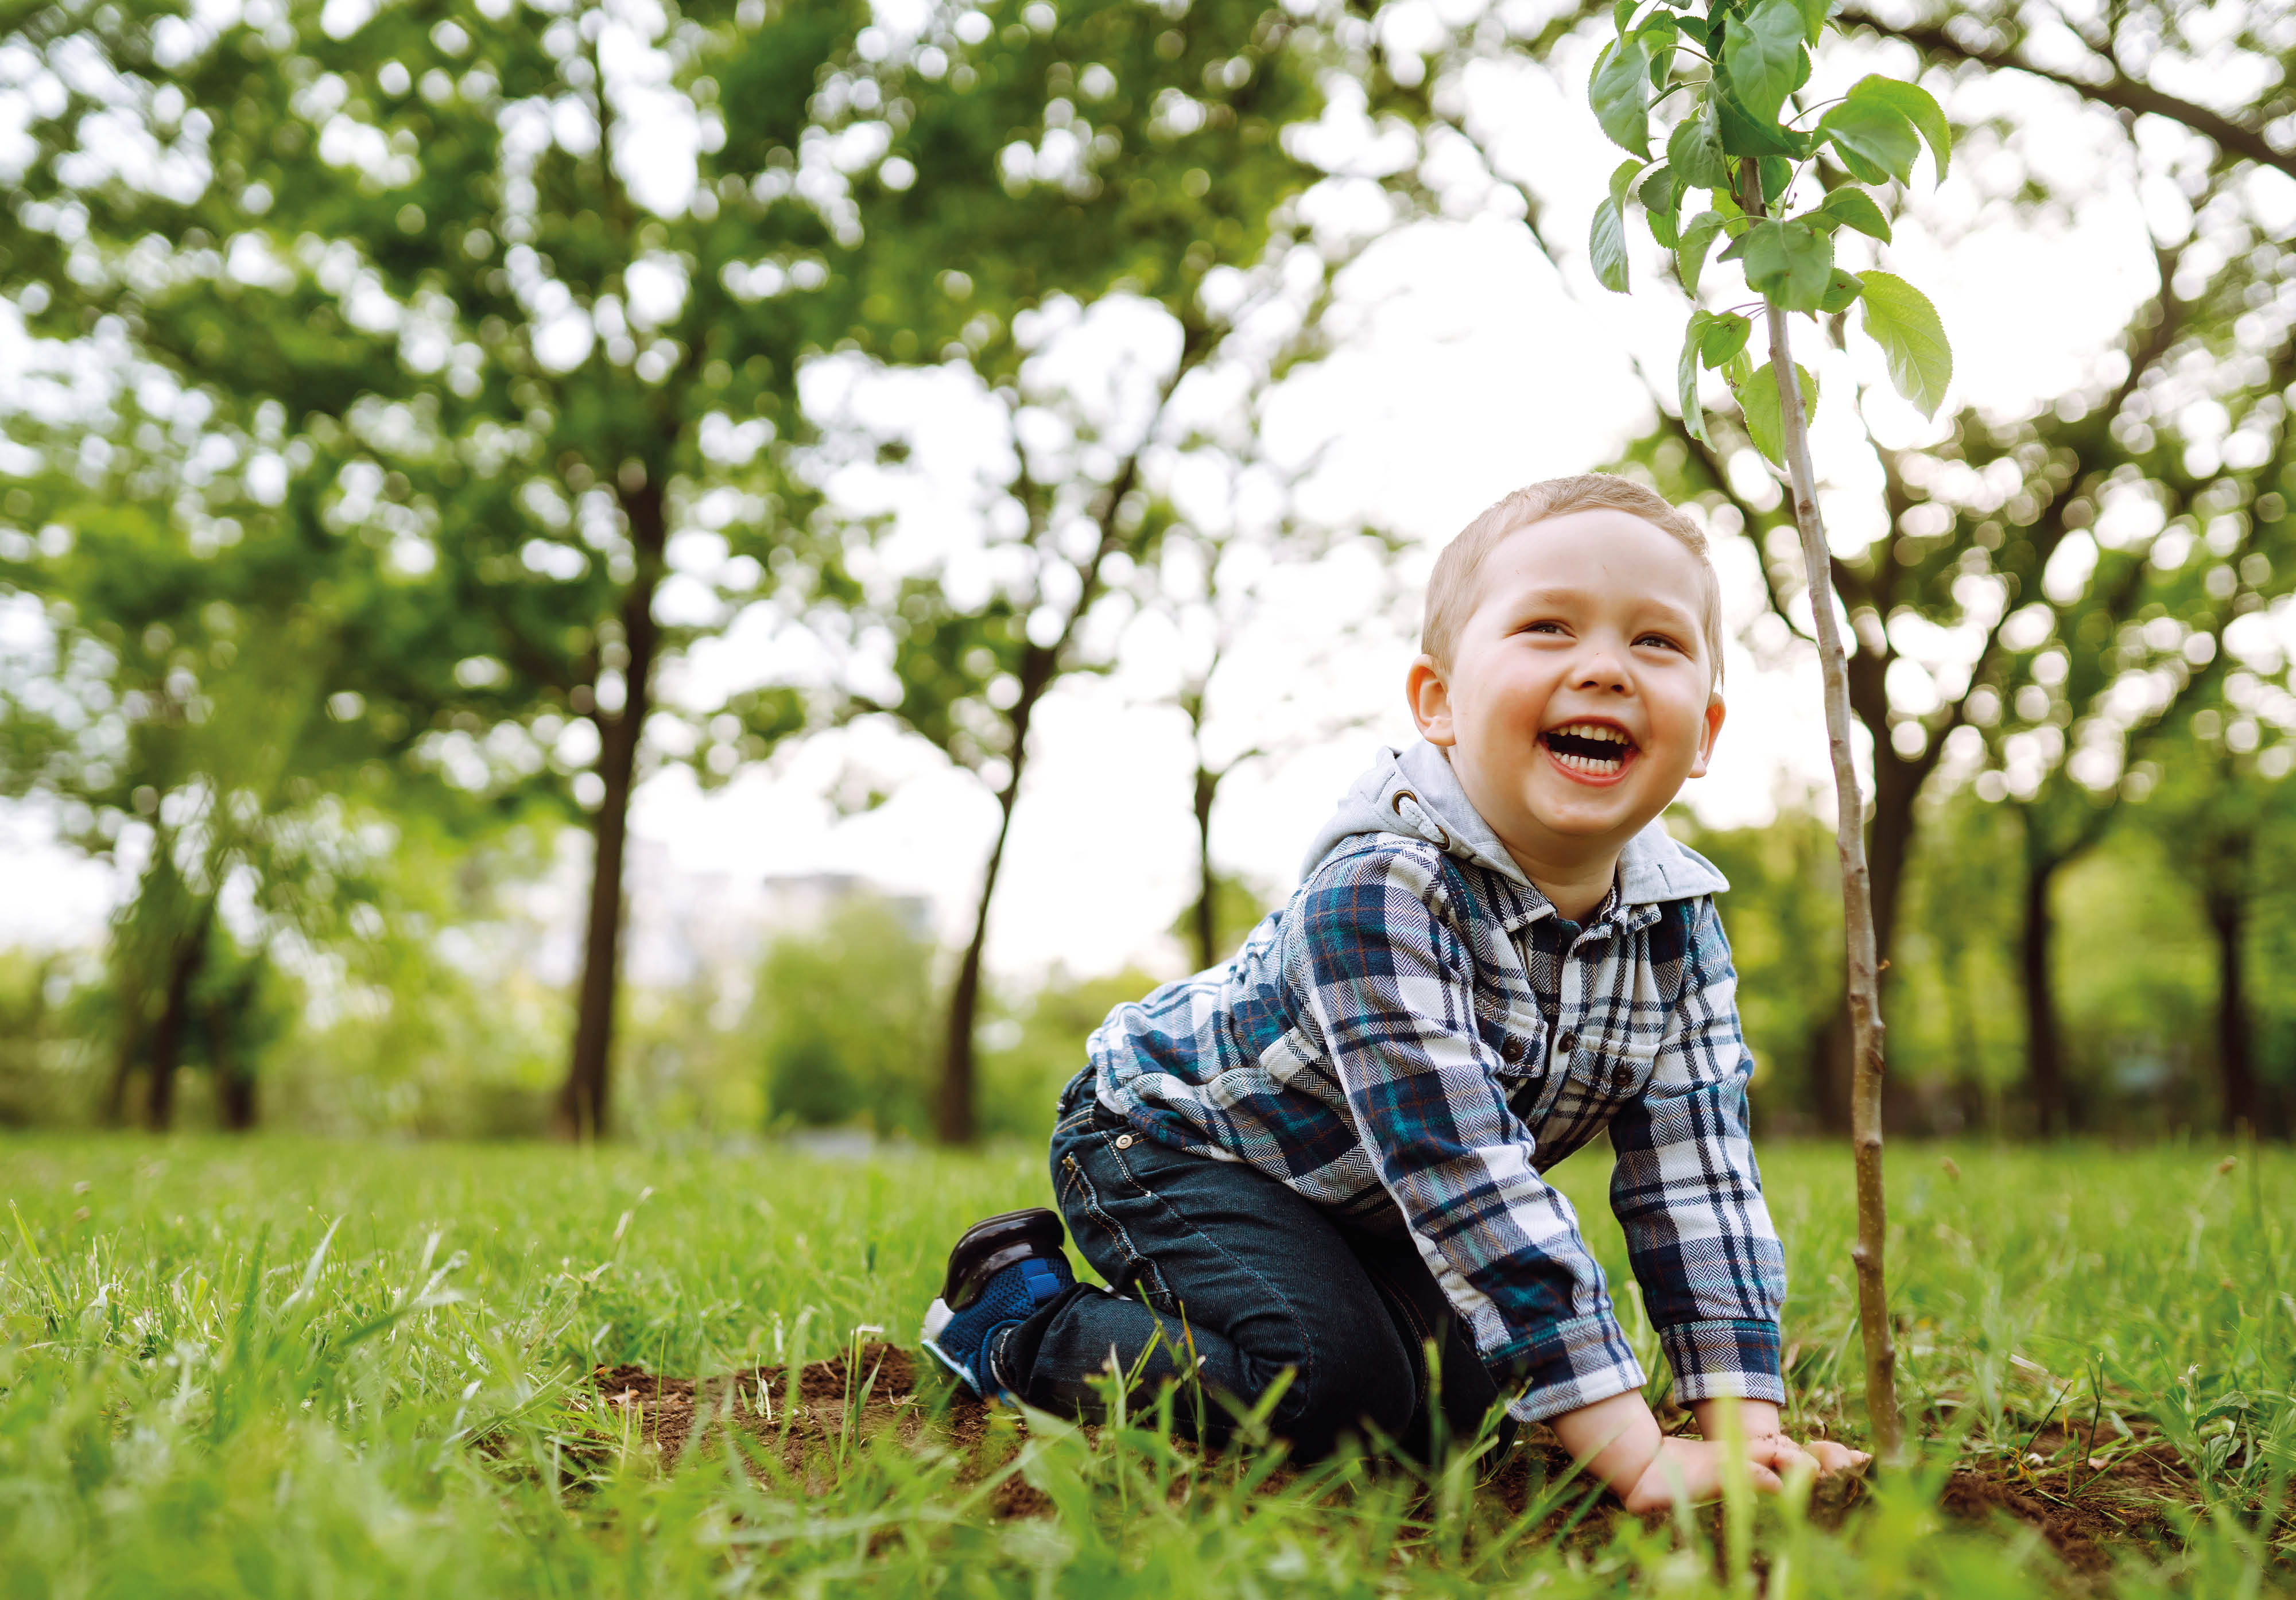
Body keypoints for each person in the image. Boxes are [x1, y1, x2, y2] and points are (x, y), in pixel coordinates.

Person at [918, 474, 1868, 1508]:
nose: (1605, 668)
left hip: (1364, 1206)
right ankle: (1015, 1319)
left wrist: (1743, 1431)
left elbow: (1699, 1176)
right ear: (1439, 704)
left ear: (1708, 732)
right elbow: (1460, 1174)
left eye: (1657, 642)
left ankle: (1320, 1340)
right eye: (1549, 628)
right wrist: (1636, 1455)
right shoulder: (1380, 892)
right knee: (1330, 1389)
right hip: (1177, 1146)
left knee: (1454, 1416)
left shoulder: (1677, 929)